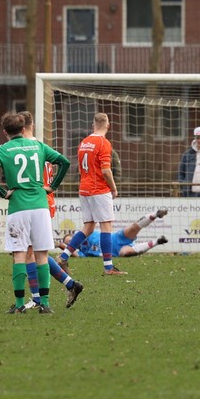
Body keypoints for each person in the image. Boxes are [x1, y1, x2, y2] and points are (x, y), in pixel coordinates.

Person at [0, 112, 70, 314]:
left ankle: (20, 303)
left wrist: (3, 193)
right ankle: (45, 304)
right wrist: (53, 186)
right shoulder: (38, 146)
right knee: (41, 255)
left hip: (18, 207)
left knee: (20, 255)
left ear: (5, 132)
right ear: (23, 129)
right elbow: (64, 162)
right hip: (40, 206)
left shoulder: (2, 150)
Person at [18, 110, 84, 310]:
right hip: (46, 202)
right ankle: (69, 285)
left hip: (36, 203)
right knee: (37, 252)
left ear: (21, 128)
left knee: (31, 253)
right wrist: (52, 187)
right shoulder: (41, 147)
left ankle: (38, 297)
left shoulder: (27, 149)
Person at [57, 112, 125, 276]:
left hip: (84, 188)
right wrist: (113, 188)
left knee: (88, 226)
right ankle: (108, 267)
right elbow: (106, 170)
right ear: (108, 125)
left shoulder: (84, 142)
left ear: (93, 125)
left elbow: (80, 168)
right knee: (106, 226)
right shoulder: (104, 143)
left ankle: (63, 257)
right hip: (99, 189)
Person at [62, 209, 169, 258]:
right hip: (116, 252)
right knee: (125, 253)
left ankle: (156, 214)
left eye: (70, 240)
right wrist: (62, 246)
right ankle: (157, 241)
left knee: (134, 227)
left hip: (116, 238)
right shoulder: (83, 252)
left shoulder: (83, 234)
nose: (70, 243)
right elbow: (75, 254)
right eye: (68, 244)